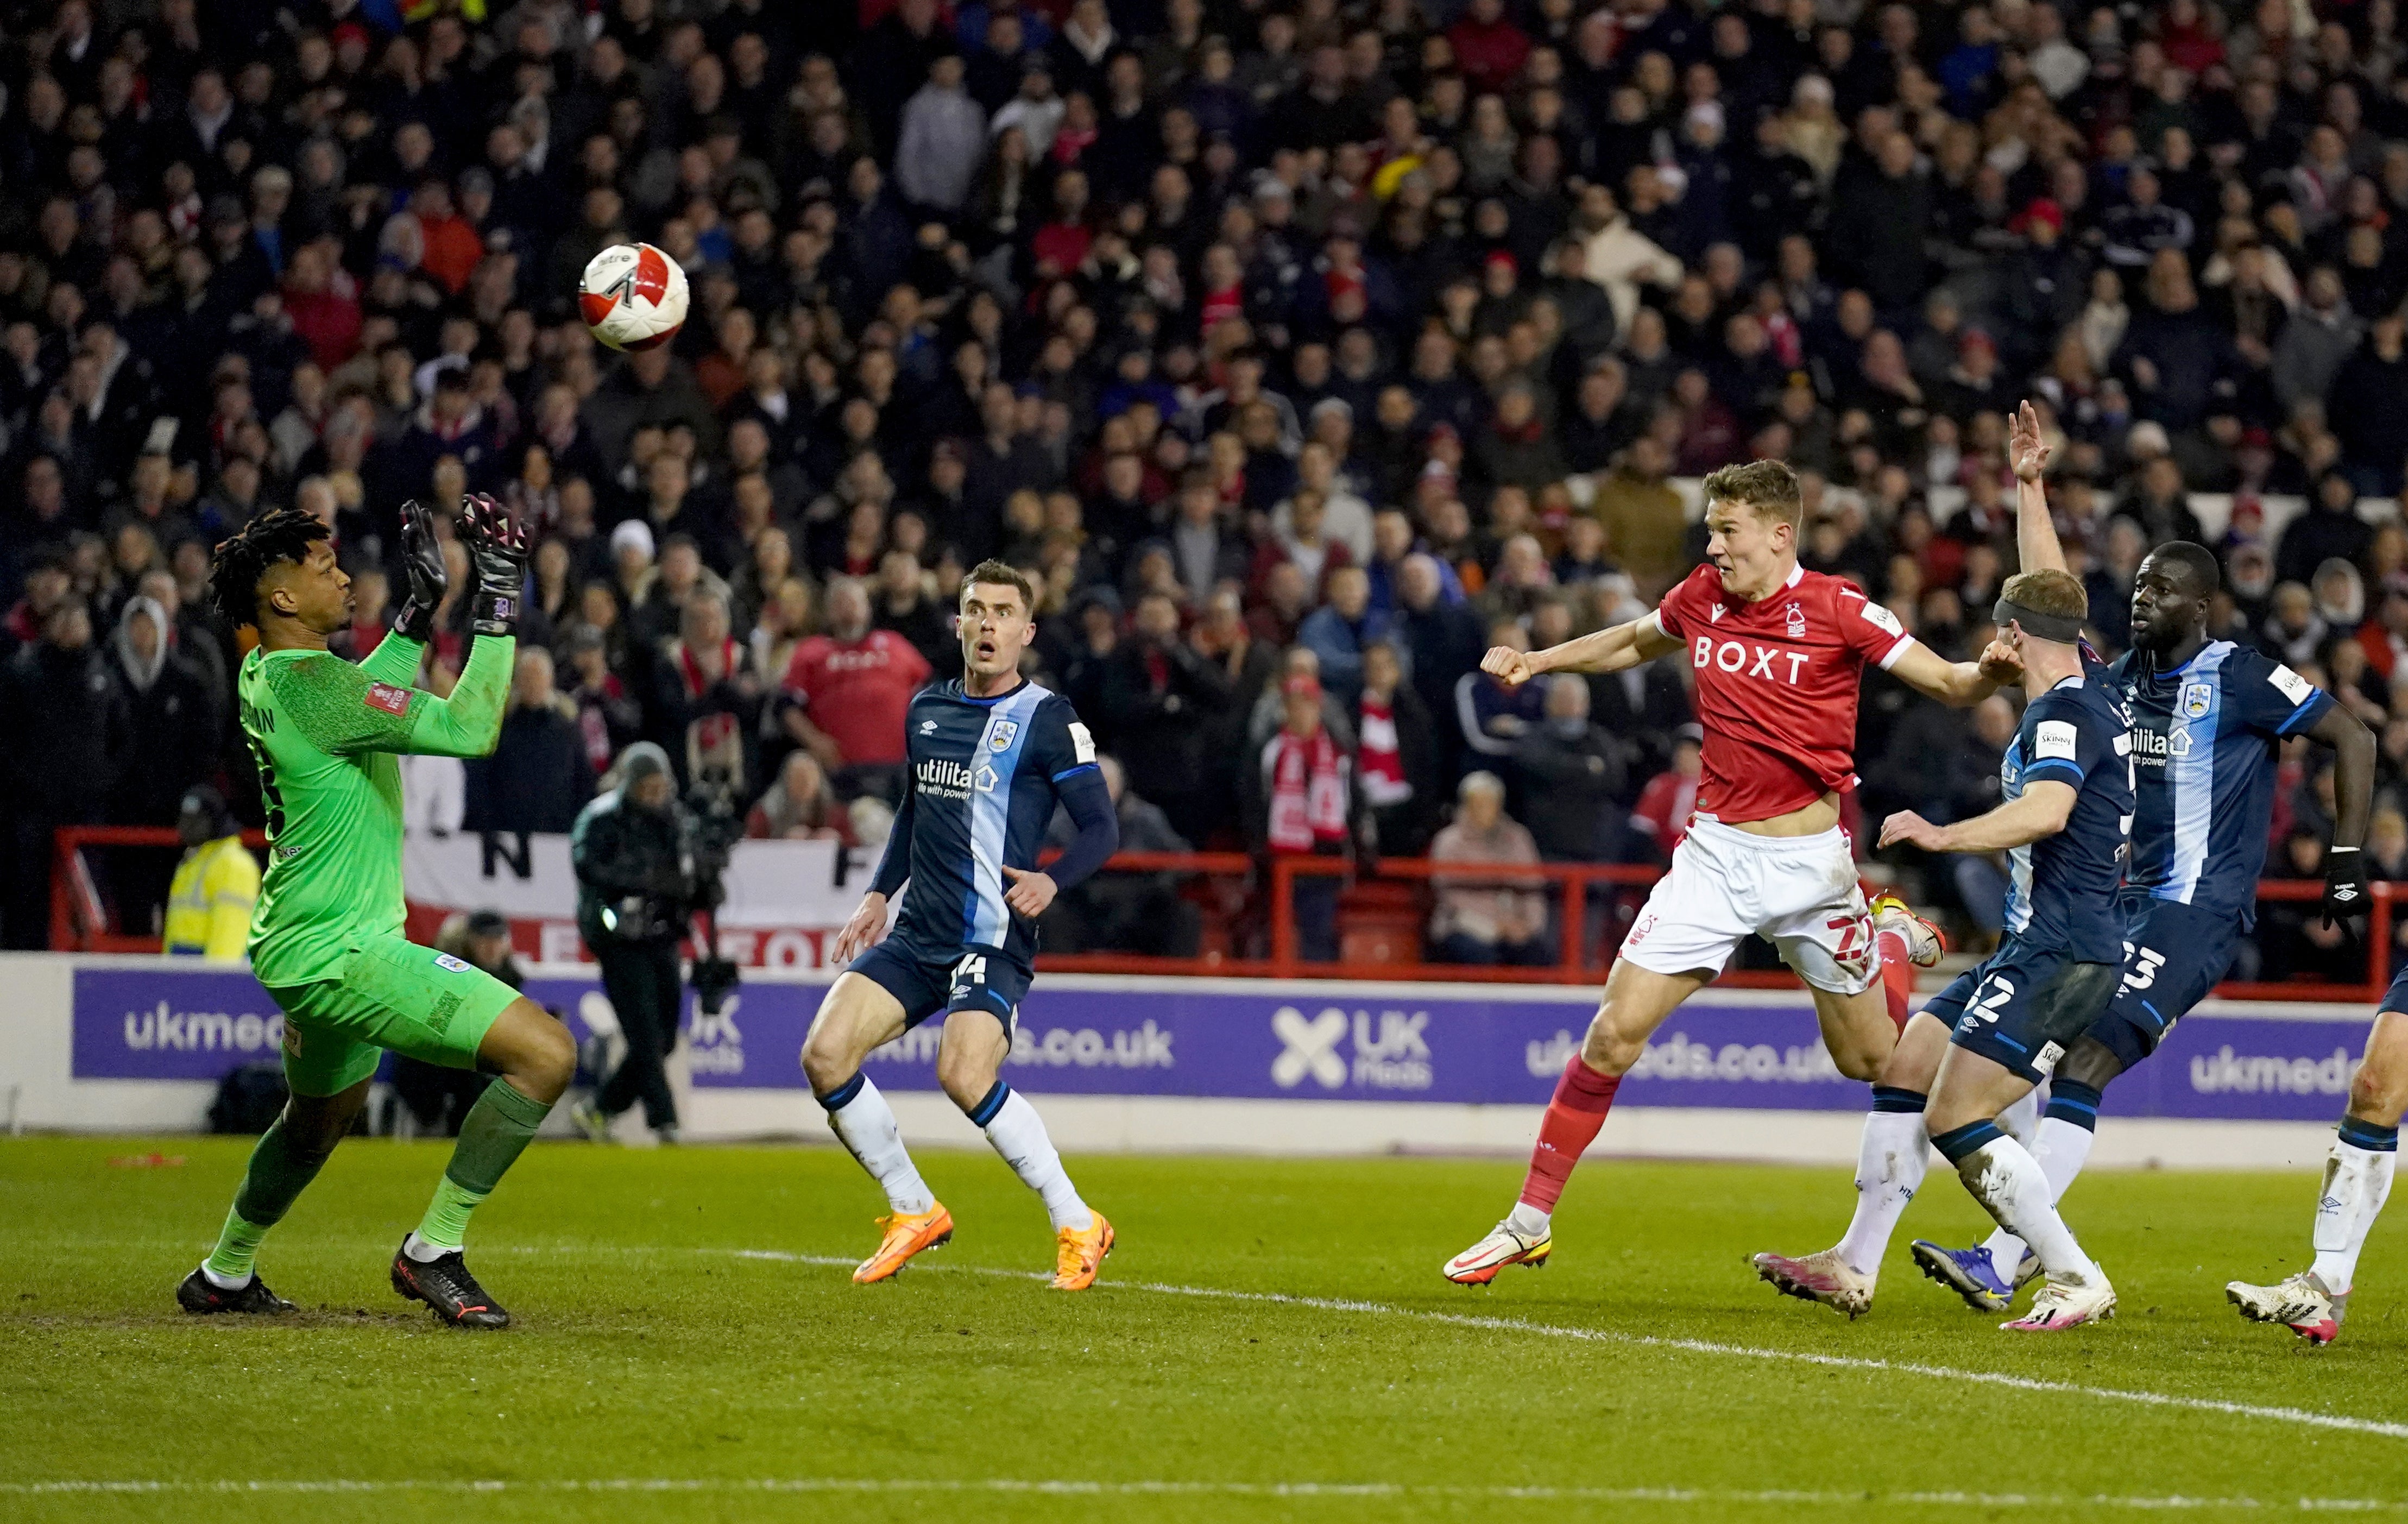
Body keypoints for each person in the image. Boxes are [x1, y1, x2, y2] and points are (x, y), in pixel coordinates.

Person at [1442, 459, 2016, 1288]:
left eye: (1726, 530)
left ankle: (1885, 935)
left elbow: (1949, 682)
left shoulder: (1839, 608)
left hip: (1812, 871)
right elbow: (1637, 639)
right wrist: (1541, 661)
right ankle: (1528, 1221)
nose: (1711, 546)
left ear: (1779, 535)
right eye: (1710, 529)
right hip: (1713, 857)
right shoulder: (1700, 597)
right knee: (1613, 1032)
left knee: (1870, 1063)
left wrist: (1988, 673)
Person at [1898, 402, 2377, 1320]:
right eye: (2136, 586)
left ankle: (2009, 1260)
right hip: (2118, 905)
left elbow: (2351, 736)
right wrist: (2027, 486)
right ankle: (2010, 1254)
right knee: (2055, 1055)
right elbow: (2043, 599)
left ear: (2197, 607)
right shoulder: (2112, 683)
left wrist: (2345, 853)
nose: (2137, 599)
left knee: (2078, 1057)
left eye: (2158, 590)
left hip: (2193, 908)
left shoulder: (2238, 674)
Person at [178, 499, 575, 1331]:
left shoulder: (270, 672)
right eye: (322, 568)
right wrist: (498, 597)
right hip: (344, 952)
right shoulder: (317, 686)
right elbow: (470, 730)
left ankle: (224, 1270)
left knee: (312, 1127)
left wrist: (417, 616)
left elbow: (364, 705)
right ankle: (433, 1248)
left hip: (300, 940)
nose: (342, 573)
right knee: (545, 1053)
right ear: (280, 598)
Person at [1756, 565, 2137, 1332]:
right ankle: (1854, 1263)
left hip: (2060, 948)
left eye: (2001, 630)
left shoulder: (2061, 713)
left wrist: (1942, 835)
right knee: (1905, 1068)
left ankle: (2073, 1273)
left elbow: (2048, 809)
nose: (1993, 645)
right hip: (2033, 940)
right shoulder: (2087, 679)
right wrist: (2029, 484)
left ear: (2015, 633)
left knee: (1954, 1114)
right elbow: (2053, 589)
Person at [801, 561, 1121, 1290]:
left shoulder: (1047, 719)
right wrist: (880, 892)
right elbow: (915, 809)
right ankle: (913, 1207)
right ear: (957, 622)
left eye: (1003, 612)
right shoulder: (926, 708)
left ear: (1025, 631)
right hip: (918, 932)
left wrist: (1051, 878)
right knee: (824, 1055)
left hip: (991, 934)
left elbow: (1100, 828)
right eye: (975, 609)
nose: (987, 623)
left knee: (962, 1072)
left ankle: (1077, 1220)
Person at [566, 742, 691, 1145]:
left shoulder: (672, 820)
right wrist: (642, 880)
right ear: (631, 785)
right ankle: (665, 1122)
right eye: (648, 788)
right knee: (643, 1033)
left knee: (664, 1038)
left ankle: (599, 1110)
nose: (655, 797)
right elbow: (589, 868)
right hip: (618, 938)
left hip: (660, 933)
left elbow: (683, 872)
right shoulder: (600, 818)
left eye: (660, 788)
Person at [394, 910, 528, 1136]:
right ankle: (436, 1124)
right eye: (484, 940)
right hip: (435, 1054)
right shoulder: (449, 971)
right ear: (470, 942)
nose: (491, 947)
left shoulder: (510, 977)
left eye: (497, 940)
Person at [1428, 772, 1550, 966]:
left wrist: (1529, 927)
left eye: (1491, 803)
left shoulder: (1518, 837)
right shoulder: (1449, 841)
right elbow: (1451, 896)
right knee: (1479, 955)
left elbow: (1533, 887)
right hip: (1465, 926)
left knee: (1539, 955)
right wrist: (1495, 926)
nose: (1486, 810)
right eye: (1479, 804)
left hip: (1516, 927)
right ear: (1466, 806)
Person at [161, 785, 257, 961]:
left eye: (196, 820)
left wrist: (216, 982)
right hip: (185, 971)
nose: (185, 826)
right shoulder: (192, 862)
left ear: (214, 821)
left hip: (211, 977)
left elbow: (229, 934)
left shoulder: (232, 864)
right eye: (184, 818)